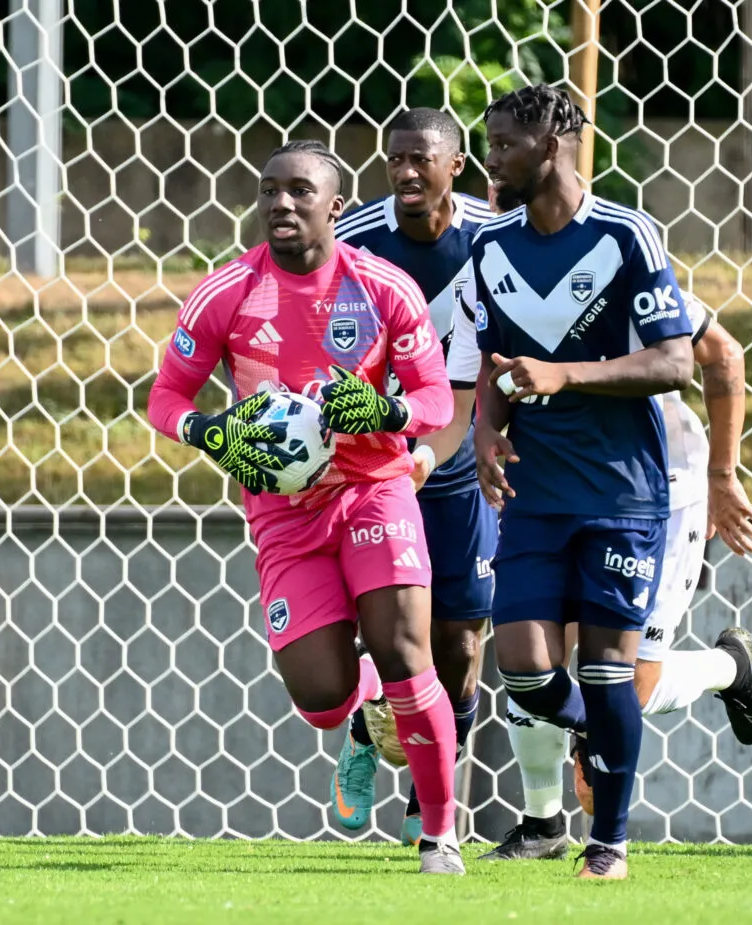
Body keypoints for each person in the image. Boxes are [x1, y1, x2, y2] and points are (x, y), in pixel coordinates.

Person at [146, 140, 465, 874]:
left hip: (373, 491)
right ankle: (360, 719)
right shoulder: (226, 291)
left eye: (298, 191)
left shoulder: (383, 287)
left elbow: (436, 398)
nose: (280, 205)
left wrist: (383, 409)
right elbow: (166, 396)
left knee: (408, 653)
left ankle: (440, 834)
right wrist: (211, 432)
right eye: (269, 192)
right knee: (320, 696)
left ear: (336, 207)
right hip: (285, 511)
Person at [469, 84, 693, 880]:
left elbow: (676, 361)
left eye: (502, 144)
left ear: (551, 146)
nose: (490, 160)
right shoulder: (491, 247)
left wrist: (565, 375)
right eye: (489, 144)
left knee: (606, 670)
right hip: (532, 493)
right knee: (525, 669)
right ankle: (602, 737)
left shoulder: (627, 233)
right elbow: (494, 366)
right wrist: (485, 427)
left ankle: (611, 843)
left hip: (620, 493)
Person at [481, 289, 752, 861]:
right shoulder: (501, 269)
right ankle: (542, 824)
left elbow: (724, 353)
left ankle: (727, 668)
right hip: (558, 486)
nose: (501, 198)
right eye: (495, 192)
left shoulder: (627, 268)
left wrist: (722, 474)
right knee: (535, 656)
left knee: (619, 687)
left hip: (662, 488)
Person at [327, 108, 497, 847]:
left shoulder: (495, 237)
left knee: (460, 642)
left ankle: (432, 791)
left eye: (421, 160)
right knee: (384, 636)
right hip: (369, 471)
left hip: (455, 463)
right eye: (395, 160)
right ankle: (394, 771)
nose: (405, 173)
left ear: (454, 166)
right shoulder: (356, 239)